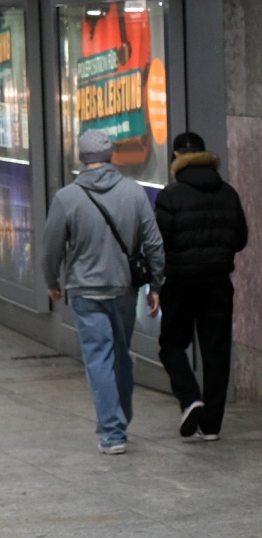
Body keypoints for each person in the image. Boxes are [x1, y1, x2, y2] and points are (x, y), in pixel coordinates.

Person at [42, 127, 166, 454]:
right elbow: (154, 243)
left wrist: (52, 281)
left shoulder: (67, 197)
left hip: (85, 291)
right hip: (124, 289)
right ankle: (120, 419)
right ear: (111, 155)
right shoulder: (134, 193)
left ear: (82, 158)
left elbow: (51, 247)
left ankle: (113, 433)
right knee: (121, 355)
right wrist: (155, 285)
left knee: (99, 356)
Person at [154, 131, 249, 442]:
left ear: (176, 158)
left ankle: (191, 398)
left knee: (172, 345)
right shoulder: (228, 193)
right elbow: (240, 239)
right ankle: (211, 426)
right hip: (218, 282)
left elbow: (160, 242)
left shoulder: (170, 196)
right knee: (216, 351)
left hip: (180, 282)